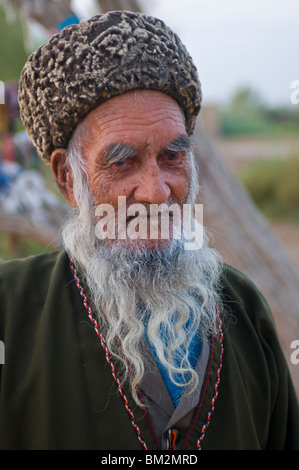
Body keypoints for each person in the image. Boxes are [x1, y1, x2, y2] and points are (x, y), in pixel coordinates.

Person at [0, 10, 298, 451]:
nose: (157, 192)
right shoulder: (10, 310)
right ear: (68, 178)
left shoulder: (244, 306)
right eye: (122, 161)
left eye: (173, 156)